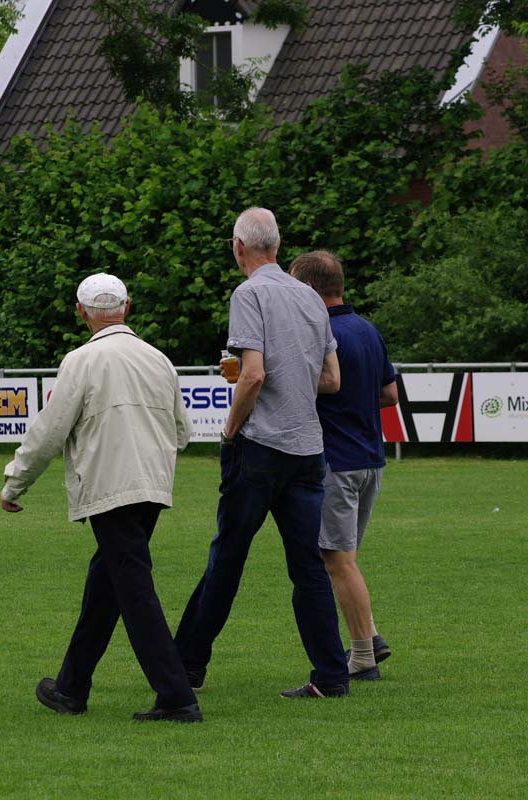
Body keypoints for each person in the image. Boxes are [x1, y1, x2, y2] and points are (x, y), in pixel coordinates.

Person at [0, 272, 201, 723]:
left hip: (110, 488)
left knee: (134, 591)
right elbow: (182, 432)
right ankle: (71, 688)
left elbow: (49, 432)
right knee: (107, 585)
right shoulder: (159, 359)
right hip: (153, 486)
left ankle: (177, 697)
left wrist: (15, 482)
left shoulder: (81, 361)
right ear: (126, 307)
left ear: (81, 312)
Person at [173, 207, 351, 699]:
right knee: (309, 568)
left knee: (227, 559)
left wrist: (230, 431)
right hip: (307, 449)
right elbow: (331, 379)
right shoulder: (311, 297)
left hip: (260, 448)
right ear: (277, 244)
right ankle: (331, 676)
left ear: (238, 247)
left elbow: (252, 375)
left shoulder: (248, 294)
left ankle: (185, 665)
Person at [289, 250, 398, 680]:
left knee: (336, 560)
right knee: (343, 558)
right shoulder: (368, 329)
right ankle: (371, 635)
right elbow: (390, 394)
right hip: (371, 459)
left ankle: (363, 657)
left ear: (310, 289)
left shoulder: (320, 332)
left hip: (336, 462)